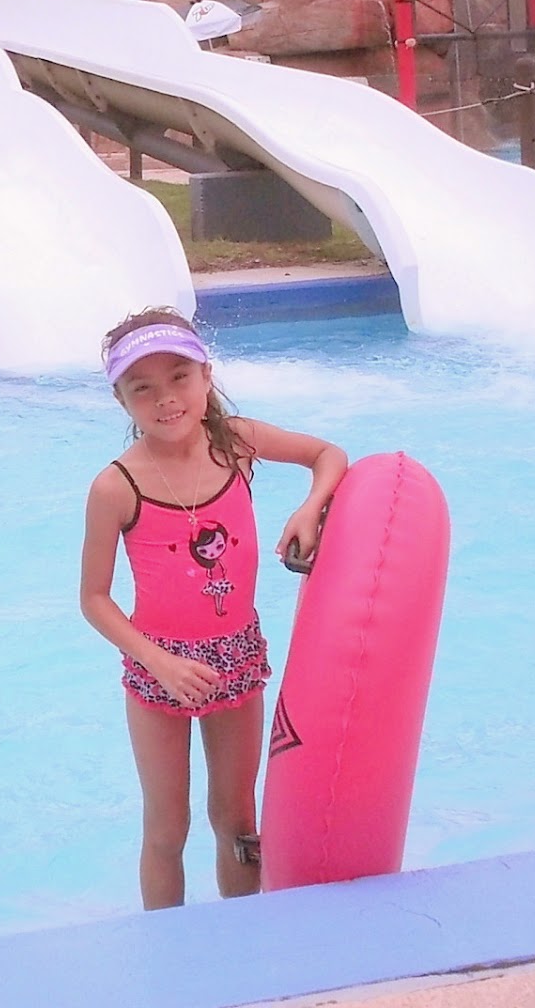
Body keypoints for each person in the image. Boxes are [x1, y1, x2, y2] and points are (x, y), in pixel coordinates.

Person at [80, 310, 348, 907]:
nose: (165, 398)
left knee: (237, 818)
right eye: (142, 387)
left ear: (206, 376)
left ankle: (242, 937)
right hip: (157, 669)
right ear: (121, 400)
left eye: (179, 377)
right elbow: (93, 599)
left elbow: (328, 455)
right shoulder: (116, 486)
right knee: (167, 827)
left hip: (236, 657)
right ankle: (168, 947)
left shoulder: (235, 443)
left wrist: (309, 510)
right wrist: (160, 663)